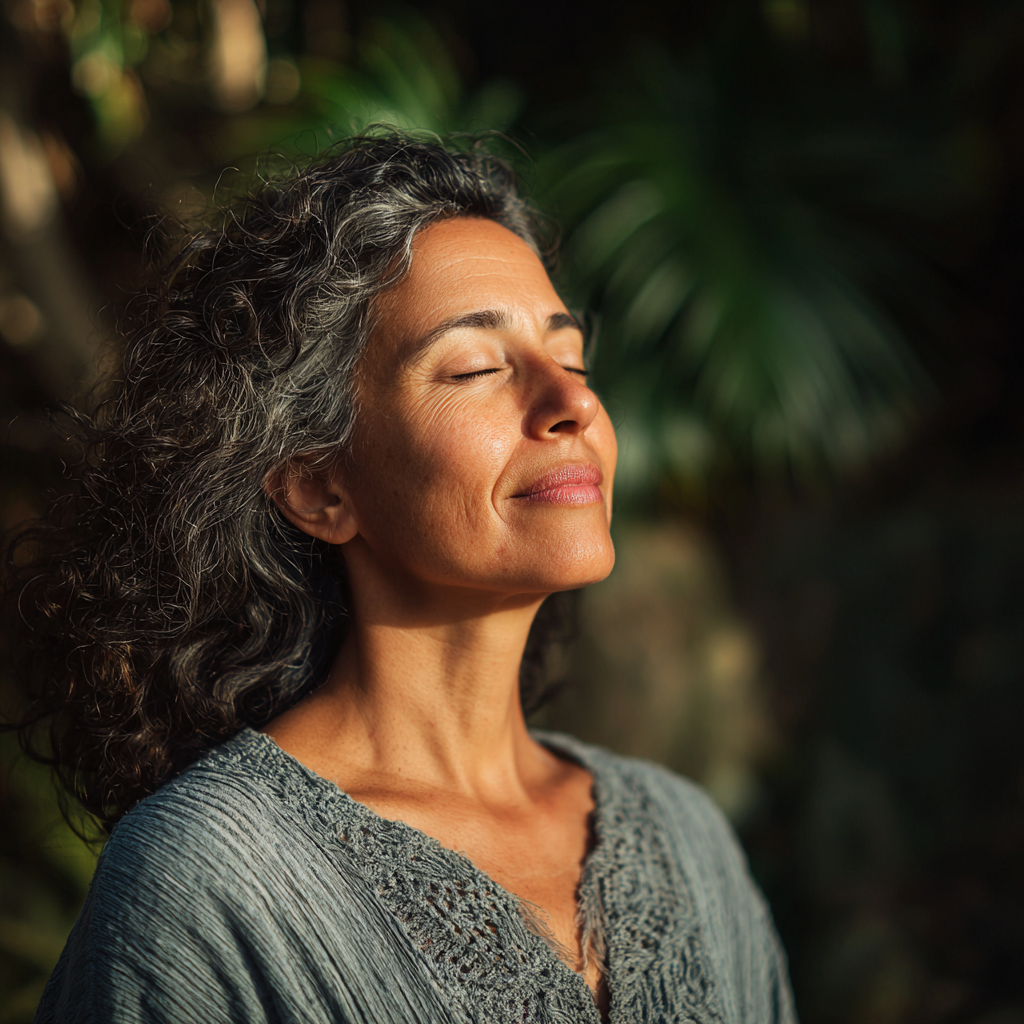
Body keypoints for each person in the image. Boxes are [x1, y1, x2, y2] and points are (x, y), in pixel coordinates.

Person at [9, 133, 796, 1023]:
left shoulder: (682, 837)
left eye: (572, 360)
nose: (573, 403)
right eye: (475, 368)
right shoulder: (212, 882)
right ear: (319, 488)